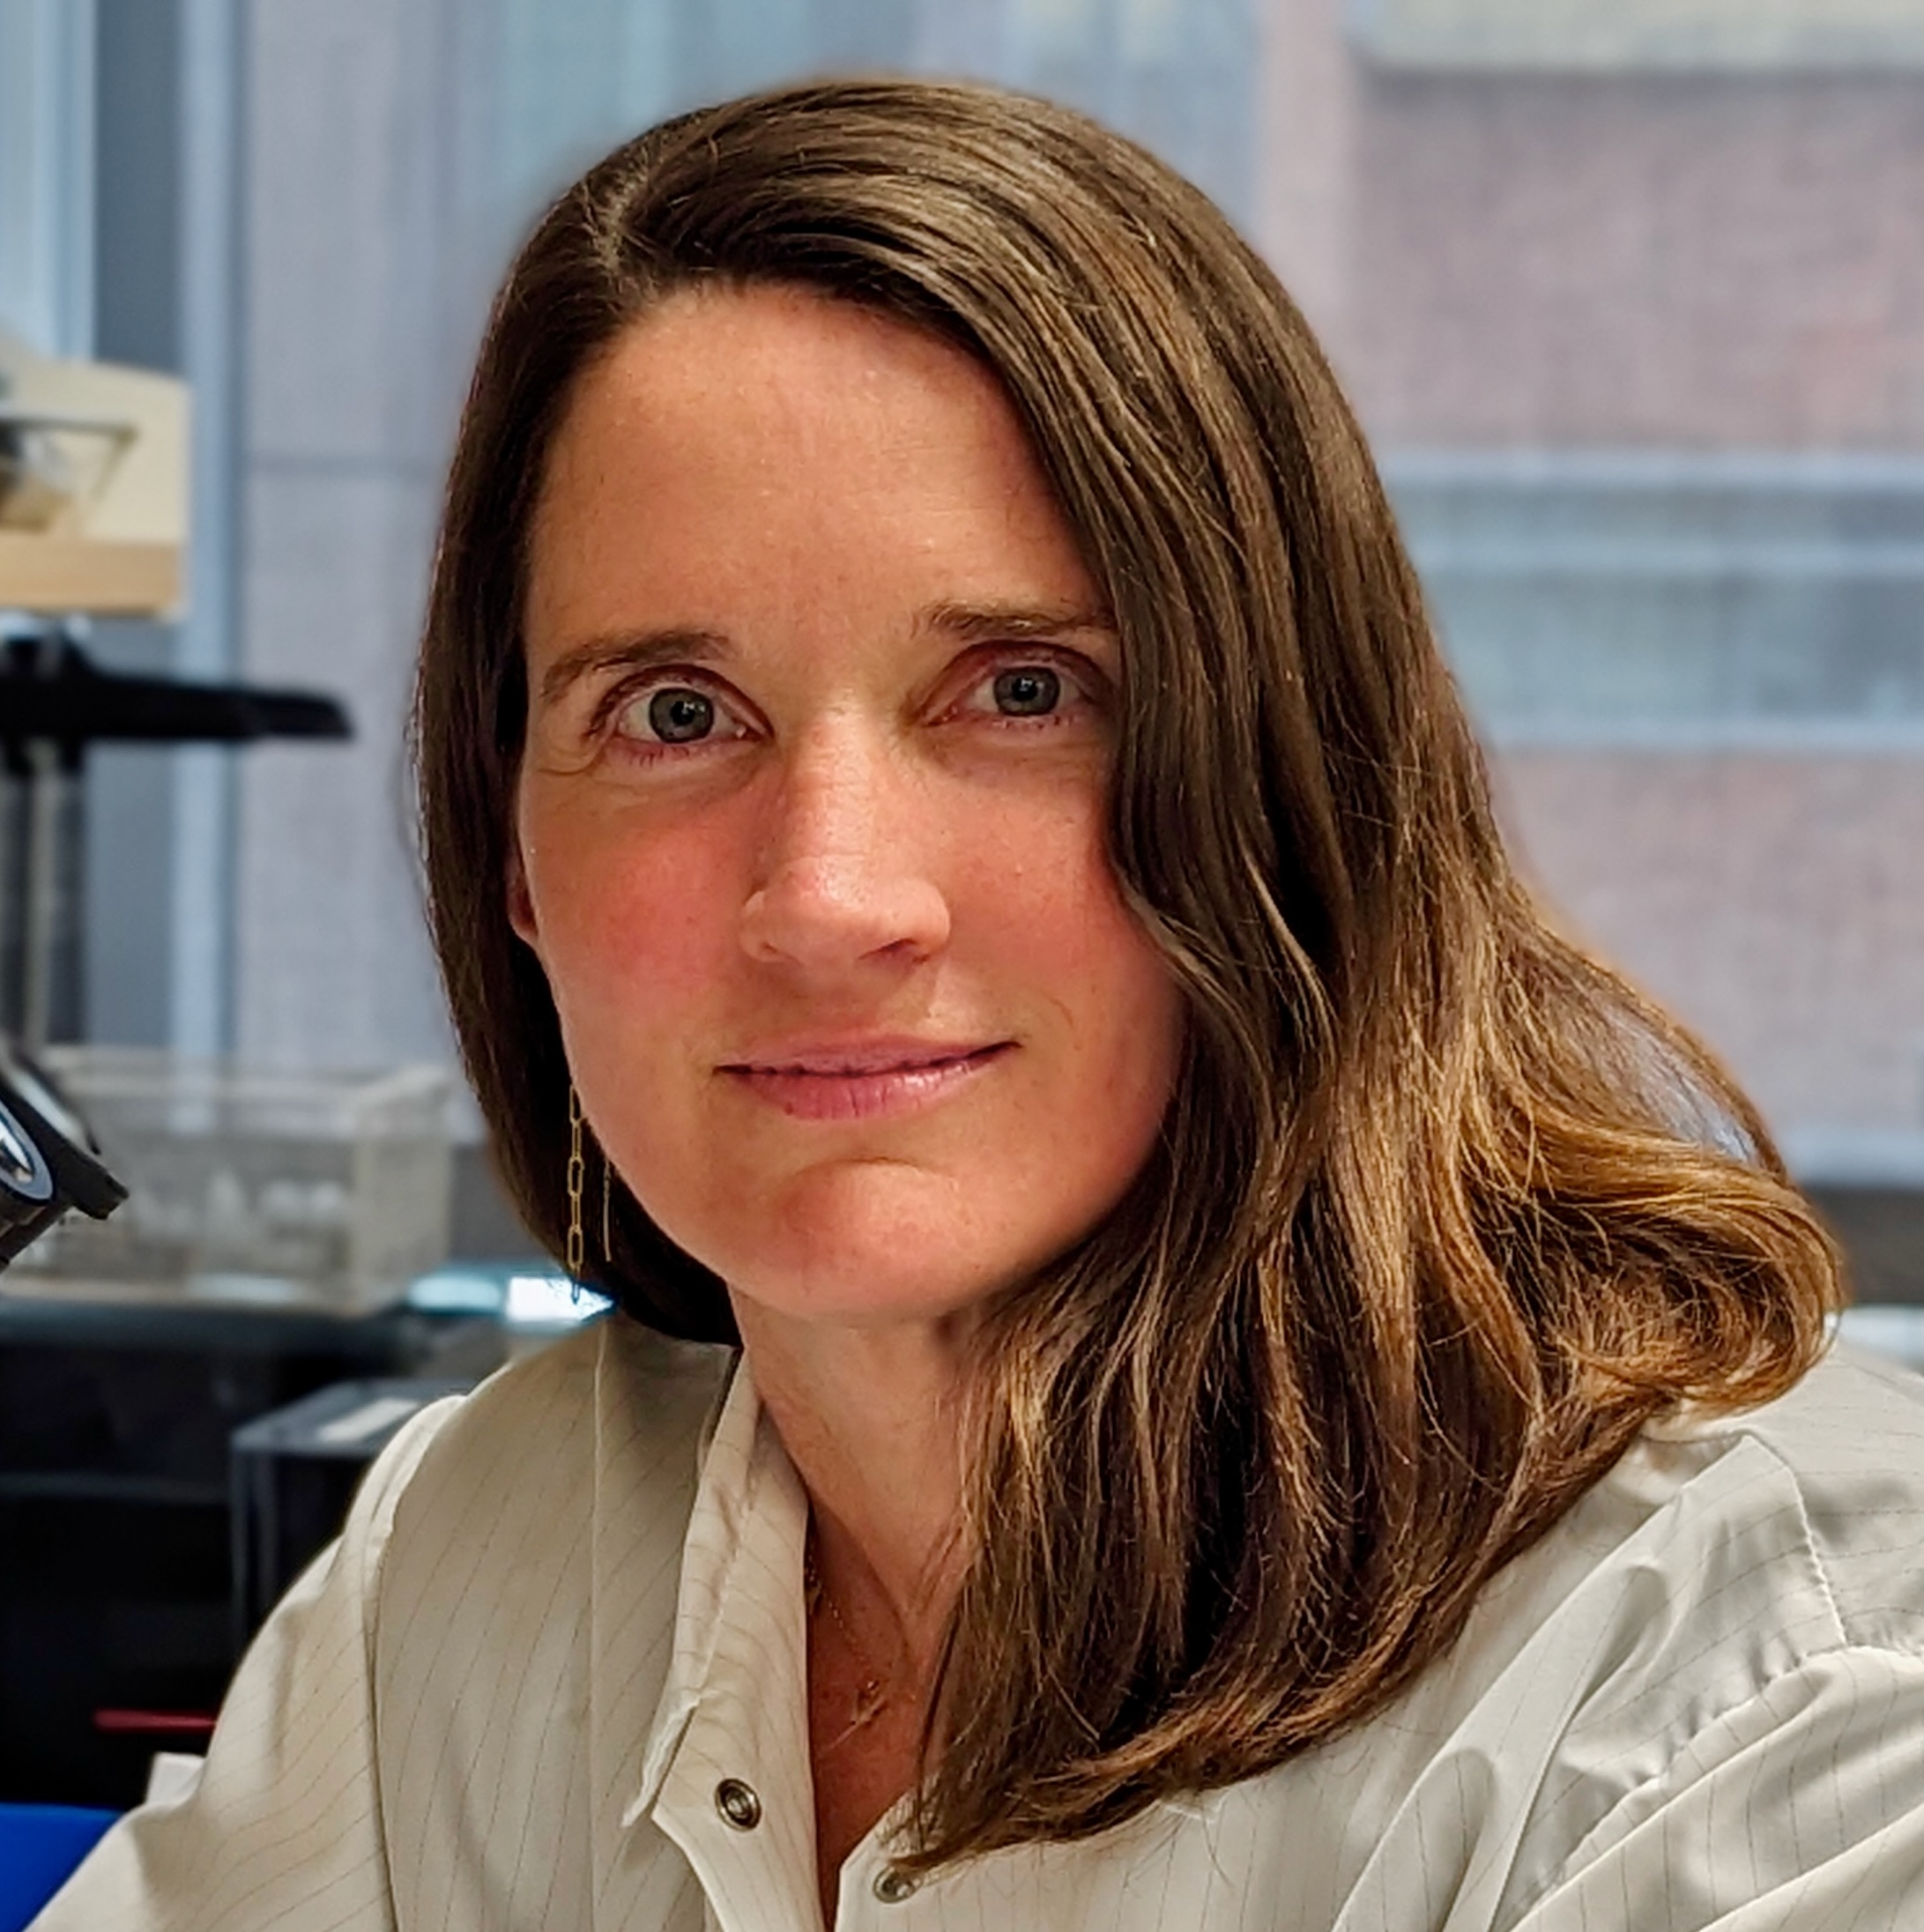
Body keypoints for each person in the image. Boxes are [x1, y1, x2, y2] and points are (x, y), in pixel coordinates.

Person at [36, 77, 1924, 1932]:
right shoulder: (468, 1567)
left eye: (1022, 690)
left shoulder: (1768, 1685)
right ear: (512, 861)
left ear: (1297, 777)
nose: (831, 898)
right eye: (675, 714)